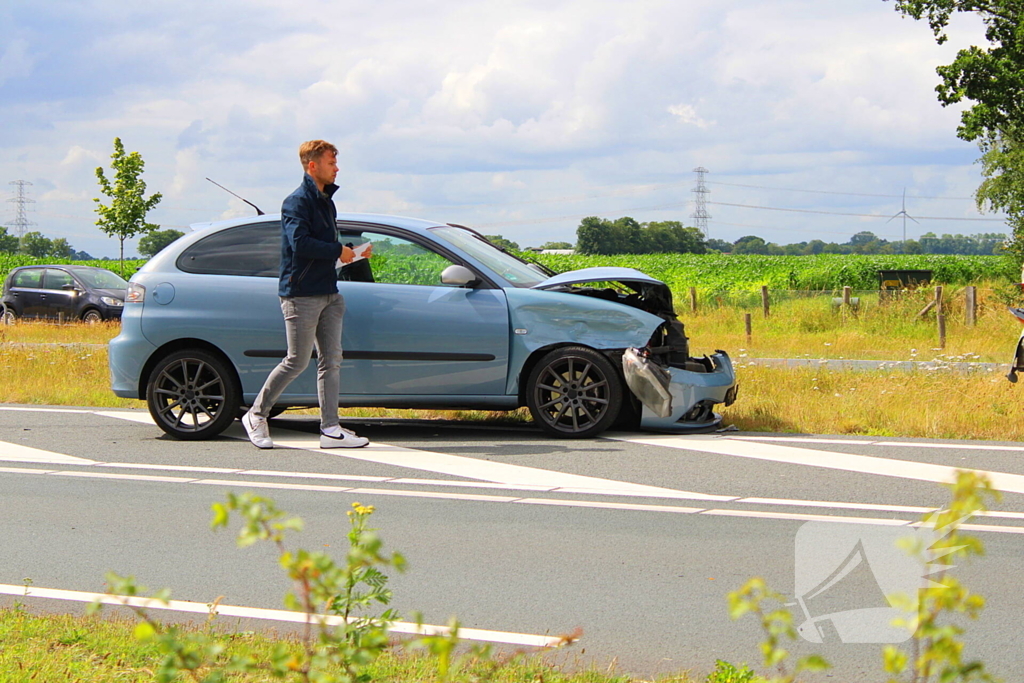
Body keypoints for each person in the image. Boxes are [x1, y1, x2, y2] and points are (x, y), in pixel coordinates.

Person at [242, 139, 369, 450]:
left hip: (328, 291)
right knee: (297, 360)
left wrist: (349, 254)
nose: (337, 168)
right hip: (301, 294)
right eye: (331, 163)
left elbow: (321, 247)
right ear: (313, 165)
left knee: (332, 360)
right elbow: (300, 244)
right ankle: (256, 415)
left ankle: (330, 429)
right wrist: (337, 249)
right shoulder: (296, 202)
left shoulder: (326, 201)